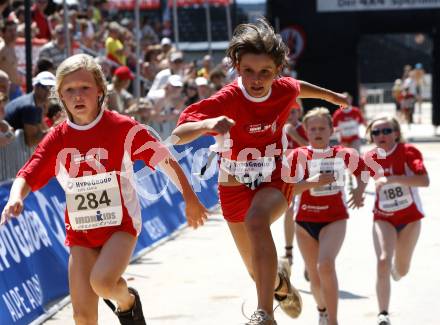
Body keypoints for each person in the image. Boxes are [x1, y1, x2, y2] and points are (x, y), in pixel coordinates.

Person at [0, 54, 208, 325]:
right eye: (69, 90)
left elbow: (164, 159)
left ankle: (127, 302)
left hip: (120, 226)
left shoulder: (122, 127)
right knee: (82, 316)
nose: (78, 95)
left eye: (84, 87)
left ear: (100, 90)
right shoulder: (58, 137)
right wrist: (15, 197)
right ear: (60, 96)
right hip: (81, 233)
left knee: (103, 282)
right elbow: (29, 171)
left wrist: (190, 198)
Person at [172, 19, 349, 325]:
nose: (256, 79)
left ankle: (264, 314)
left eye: (265, 72)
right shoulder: (227, 98)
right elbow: (179, 132)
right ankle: (281, 284)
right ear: (237, 67)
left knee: (257, 221)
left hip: (275, 177)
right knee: (256, 270)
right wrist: (206, 125)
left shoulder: (282, 89)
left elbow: (299, 89)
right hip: (233, 186)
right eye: (249, 71)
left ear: (277, 70)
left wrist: (331, 97)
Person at [287, 107, 367, 325]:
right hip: (304, 221)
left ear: (332, 129)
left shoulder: (344, 153)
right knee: (314, 275)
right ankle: (321, 310)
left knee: (325, 265)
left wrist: (359, 190)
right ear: (305, 130)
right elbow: (286, 189)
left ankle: (333, 321)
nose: (318, 132)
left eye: (322, 127)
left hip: (335, 218)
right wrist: (312, 183)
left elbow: (364, 172)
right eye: (312, 128)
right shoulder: (298, 155)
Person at [364, 116, 429, 325]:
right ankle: (383, 313)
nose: (381, 136)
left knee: (402, 269)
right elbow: (359, 177)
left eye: (386, 131)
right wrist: (357, 190)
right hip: (383, 217)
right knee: (383, 260)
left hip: (410, 218)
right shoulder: (370, 156)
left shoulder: (408, 152)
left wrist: (391, 179)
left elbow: (424, 181)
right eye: (376, 132)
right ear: (371, 136)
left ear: (396, 133)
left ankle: (397, 269)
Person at [279, 105, 308, 275]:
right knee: (289, 211)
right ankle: (289, 251)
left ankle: (308, 258)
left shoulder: (304, 127)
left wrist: (293, 134)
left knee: (305, 214)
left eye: (294, 112)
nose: (290, 115)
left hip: (305, 174)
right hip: (288, 175)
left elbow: (312, 147)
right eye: (287, 111)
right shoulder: (278, 127)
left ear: (300, 113)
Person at [5, 71, 54, 146]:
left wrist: (55, 127)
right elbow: (31, 141)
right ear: (35, 87)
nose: (49, 91)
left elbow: (43, 130)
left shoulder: (36, 105)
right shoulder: (30, 106)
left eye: (52, 87)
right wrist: (55, 129)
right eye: (45, 87)